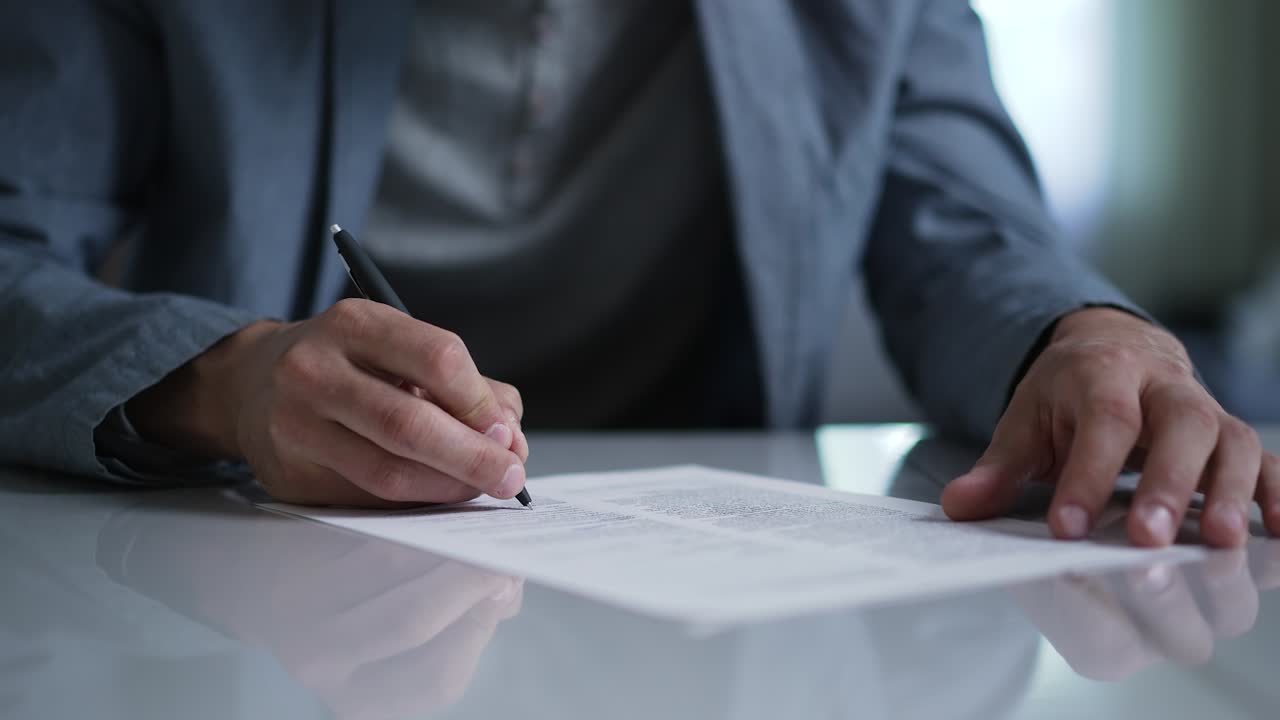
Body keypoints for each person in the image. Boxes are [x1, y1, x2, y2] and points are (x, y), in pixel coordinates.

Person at [0, 1, 1274, 548]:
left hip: (705, 589)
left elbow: (970, 230)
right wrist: (227, 383)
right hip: (266, 577)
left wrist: (1089, 337)